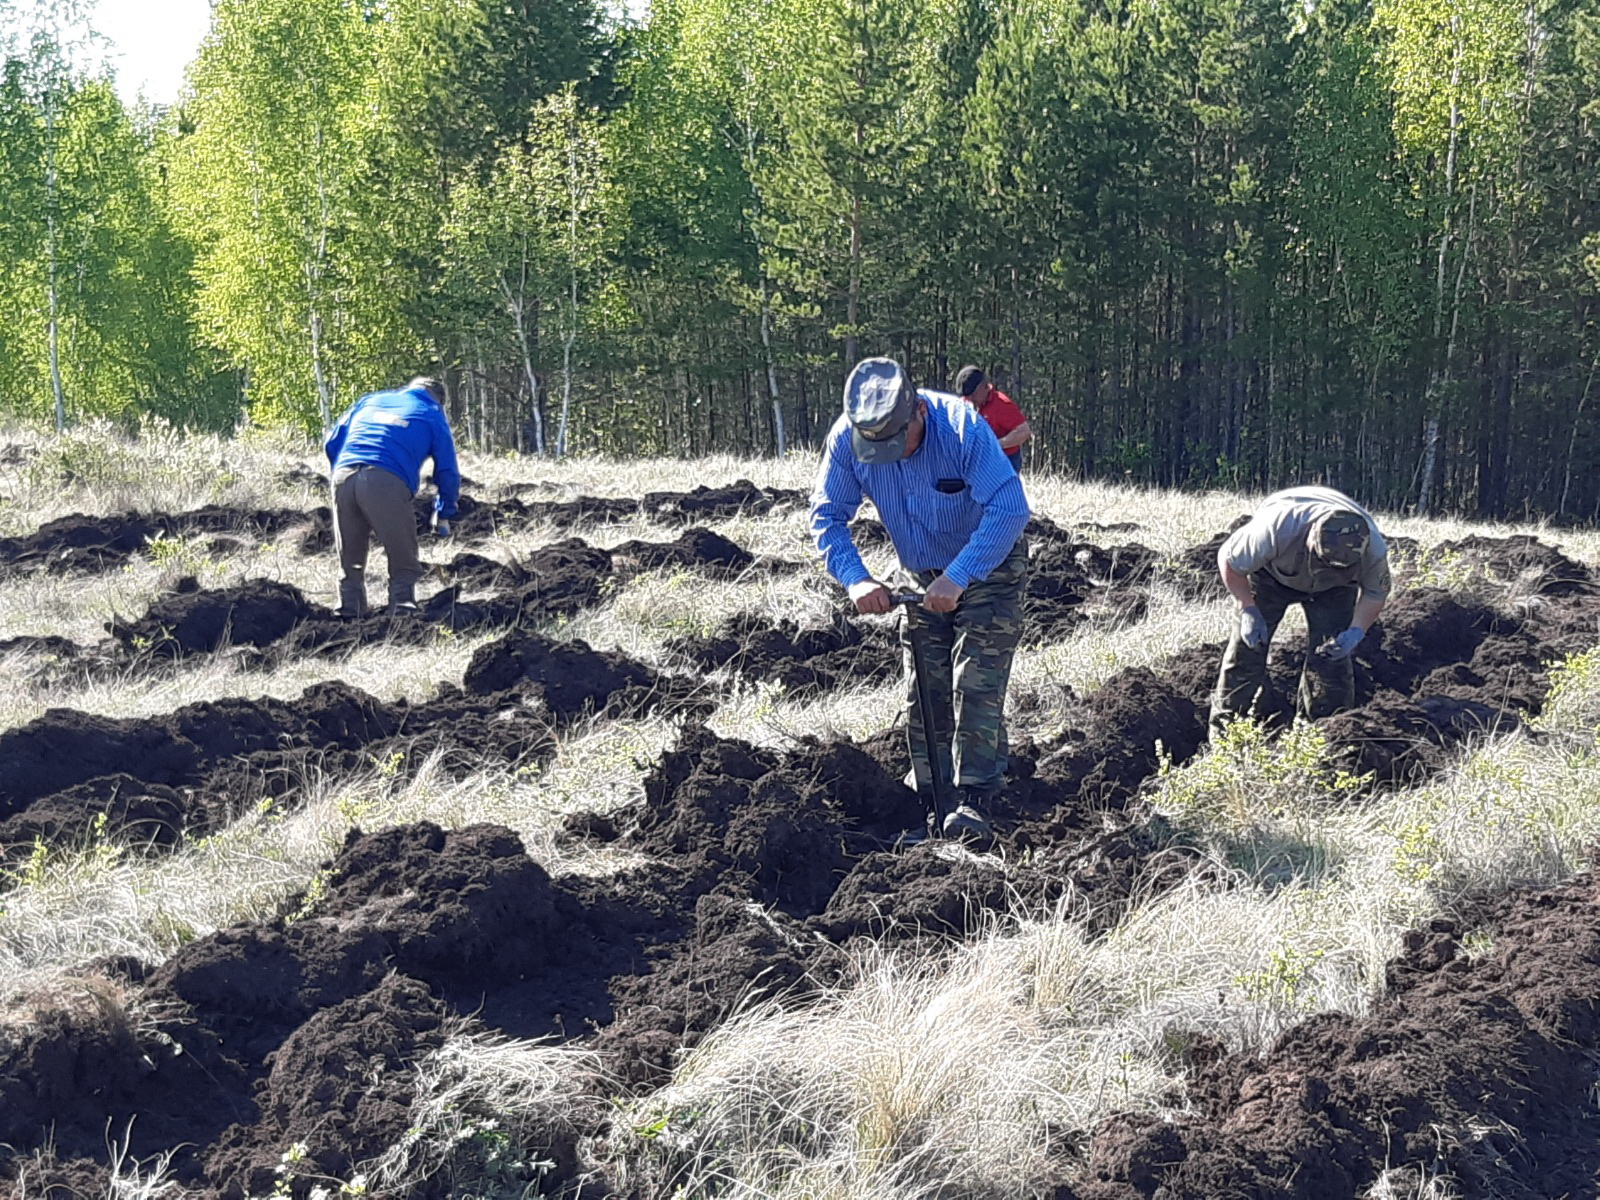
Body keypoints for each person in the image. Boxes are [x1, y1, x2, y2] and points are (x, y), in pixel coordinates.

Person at [811, 357, 1031, 837]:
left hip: (988, 563)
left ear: (919, 414)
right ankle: (932, 800)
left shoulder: (962, 427)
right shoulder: (846, 441)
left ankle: (975, 802)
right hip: (920, 572)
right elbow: (827, 517)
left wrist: (959, 576)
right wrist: (857, 579)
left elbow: (1011, 508)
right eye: (878, 449)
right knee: (924, 690)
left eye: (898, 443)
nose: (890, 457)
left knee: (975, 679)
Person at [1210, 485, 1392, 739]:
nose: (1323, 570)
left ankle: (1323, 735)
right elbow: (1229, 561)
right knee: (1246, 651)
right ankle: (1227, 735)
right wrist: (1247, 607)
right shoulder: (1276, 529)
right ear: (1310, 539)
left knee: (1332, 659)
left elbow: (1376, 593)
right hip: (1271, 578)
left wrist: (1356, 632)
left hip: (1336, 592)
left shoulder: (1373, 550)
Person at [324, 375, 460, 618]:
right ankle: (402, 608)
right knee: (403, 552)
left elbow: (332, 441)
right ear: (440, 400)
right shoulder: (431, 412)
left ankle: (348, 609)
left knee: (351, 554)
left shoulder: (370, 400)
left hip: (344, 475)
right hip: (385, 479)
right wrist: (444, 511)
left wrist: (342, 472)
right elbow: (447, 470)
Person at [954, 365, 1032, 473]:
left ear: (984, 386)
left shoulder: (1001, 404)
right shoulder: (965, 403)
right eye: (967, 397)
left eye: (973, 395)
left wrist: (996, 444)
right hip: (978, 459)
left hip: (1005, 460)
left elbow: (1024, 431)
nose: (970, 399)